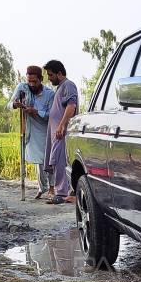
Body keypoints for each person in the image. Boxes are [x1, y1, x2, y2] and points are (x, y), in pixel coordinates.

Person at [8, 65, 57, 198]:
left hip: (44, 129)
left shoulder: (49, 94)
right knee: (37, 160)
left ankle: (52, 188)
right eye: (29, 81)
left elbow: (51, 115)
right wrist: (15, 104)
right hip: (28, 127)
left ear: (41, 79)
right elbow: (9, 104)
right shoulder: (22, 88)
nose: (31, 84)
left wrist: (36, 111)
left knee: (46, 159)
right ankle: (42, 188)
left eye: (34, 81)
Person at [43, 60, 79, 205]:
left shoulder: (68, 85)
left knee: (59, 160)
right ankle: (63, 191)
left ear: (59, 73)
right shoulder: (60, 88)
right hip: (55, 131)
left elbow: (71, 106)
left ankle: (61, 193)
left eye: (51, 75)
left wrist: (61, 125)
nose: (49, 78)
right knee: (57, 160)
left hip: (61, 131)